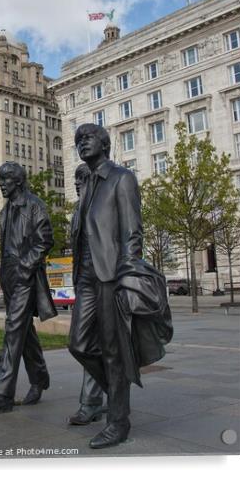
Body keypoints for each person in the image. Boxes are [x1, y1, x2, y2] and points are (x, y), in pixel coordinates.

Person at [69, 123, 172, 449]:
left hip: (111, 275)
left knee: (114, 351)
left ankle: (118, 420)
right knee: (79, 344)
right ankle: (114, 396)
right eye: (77, 140)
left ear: (104, 142)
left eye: (87, 138)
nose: (81, 143)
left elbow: (132, 233)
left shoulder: (120, 179)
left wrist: (128, 276)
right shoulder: (86, 185)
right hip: (85, 276)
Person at [0, 162, 57, 413]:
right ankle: (40, 377)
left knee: (13, 330)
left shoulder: (34, 205)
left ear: (18, 181)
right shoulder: (5, 212)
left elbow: (45, 239)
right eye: (0, 180)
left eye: (6, 180)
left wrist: (25, 267)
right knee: (24, 332)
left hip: (26, 275)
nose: (2, 184)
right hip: (9, 276)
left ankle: (3, 394)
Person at [68, 163, 107, 426]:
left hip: (107, 280)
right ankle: (113, 386)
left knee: (107, 343)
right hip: (84, 281)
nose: (77, 184)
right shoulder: (76, 211)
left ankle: (91, 402)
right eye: (76, 179)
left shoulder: (106, 203)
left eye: (82, 179)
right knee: (79, 343)